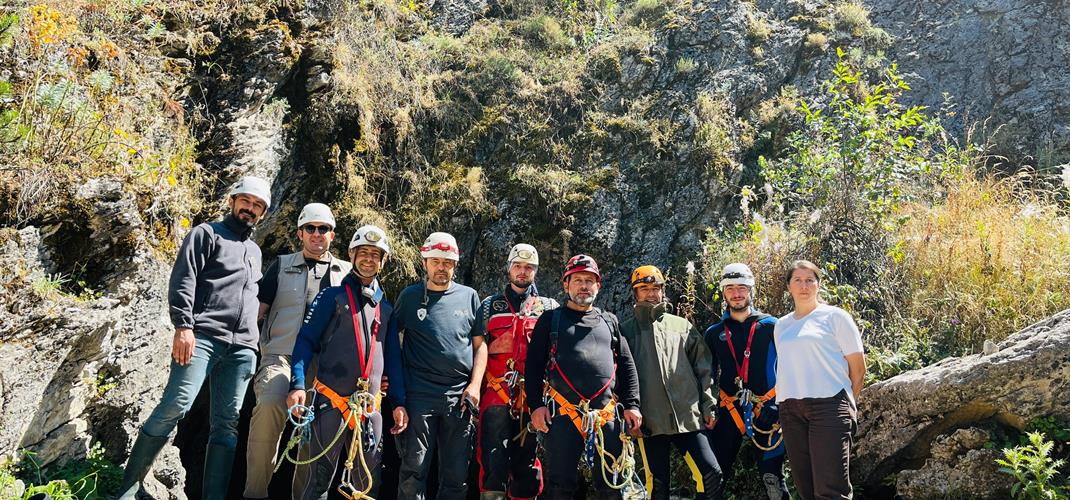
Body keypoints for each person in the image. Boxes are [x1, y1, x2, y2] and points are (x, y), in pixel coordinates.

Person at [118, 176, 271, 500]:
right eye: (246, 201)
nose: (251, 208)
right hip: (202, 336)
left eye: (258, 206)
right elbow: (184, 279)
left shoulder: (255, 252)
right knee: (176, 404)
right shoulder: (206, 234)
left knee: (227, 426)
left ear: (262, 213)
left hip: (242, 348)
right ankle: (127, 491)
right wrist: (183, 327)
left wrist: (255, 342)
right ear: (232, 201)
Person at [243, 203, 351, 499]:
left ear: (332, 234)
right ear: (300, 233)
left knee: (316, 433)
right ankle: (254, 494)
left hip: (325, 367)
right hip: (281, 356)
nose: (317, 234)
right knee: (270, 405)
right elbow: (257, 313)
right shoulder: (280, 266)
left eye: (324, 229)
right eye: (311, 229)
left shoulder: (348, 274)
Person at [285, 225, 400, 499]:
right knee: (318, 481)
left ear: (383, 262)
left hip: (369, 407)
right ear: (351, 254)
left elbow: (393, 359)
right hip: (331, 401)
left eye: (376, 254)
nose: (369, 259)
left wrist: (401, 402)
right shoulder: (331, 297)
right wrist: (297, 384)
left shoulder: (386, 308)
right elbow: (305, 341)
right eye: (363, 253)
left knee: (367, 484)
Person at [525, 254, 642, 500]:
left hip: (606, 415)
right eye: (577, 280)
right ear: (566, 285)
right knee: (560, 485)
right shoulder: (550, 321)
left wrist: (632, 405)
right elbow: (533, 366)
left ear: (598, 286)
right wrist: (535, 405)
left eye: (590, 280)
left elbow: (626, 365)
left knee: (611, 485)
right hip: (563, 415)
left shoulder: (609, 321)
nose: (584, 286)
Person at [387, 232, 485, 500]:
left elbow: (480, 346)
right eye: (436, 261)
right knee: (413, 470)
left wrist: (475, 386)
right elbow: (389, 340)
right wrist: (389, 381)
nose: (442, 267)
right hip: (419, 395)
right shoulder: (409, 297)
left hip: (459, 397)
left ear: (456, 264)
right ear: (425, 261)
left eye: (448, 262)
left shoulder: (470, 296)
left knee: (456, 475)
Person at [619, 265, 724, 500]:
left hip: (688, 417)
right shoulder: (624, 331)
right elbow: (619, 376)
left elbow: (704, 368)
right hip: (649, 423)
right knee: (657, 487)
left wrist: (709, 405)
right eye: (644, 288)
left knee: (711, 476)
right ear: (635, 293)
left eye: (655, 288)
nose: (651, 293)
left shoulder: (682, 326)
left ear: (663, 291)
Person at [774, 260, 866, 500]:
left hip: (830, 406)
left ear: (818, 285)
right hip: (790, 409)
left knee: (830, 490)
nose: (804, 286)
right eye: (798, 280)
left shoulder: (835, 317)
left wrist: (847, 404)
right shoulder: (781, 326)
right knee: (805, 488)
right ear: (789, 287)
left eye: (810, 280)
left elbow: (858, 368)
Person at [473, 244, 559, 500]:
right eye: (518, 266)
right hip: (495, 395)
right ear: (509, 268)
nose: (523, 272)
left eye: (529, 267)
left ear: (536, 271)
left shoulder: (549, 308)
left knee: (528, 463)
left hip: (532, 397)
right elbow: (477, 350)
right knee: (491, 459)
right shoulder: (489, 306)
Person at [705, 263, 789, 499]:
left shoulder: (772, 326)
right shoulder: (714, 333)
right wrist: (708, 408)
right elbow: (707, 375)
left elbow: (790, 368)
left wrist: (779, 405)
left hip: (767, 410)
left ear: (751, 289)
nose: (737, 293)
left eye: (742, 287)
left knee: (772, 478)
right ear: (723, 293)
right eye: (730, 288)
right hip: (729, 410)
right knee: (712, 478)